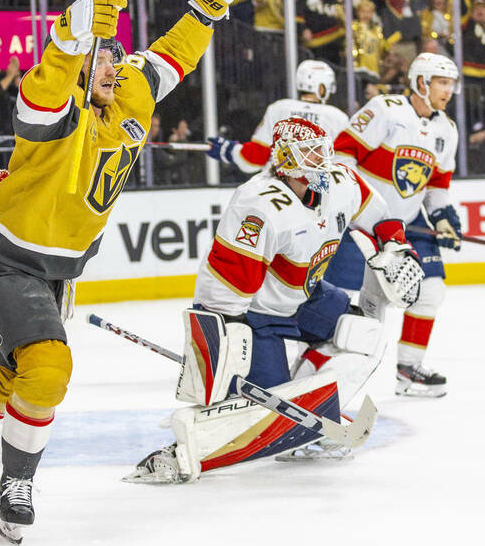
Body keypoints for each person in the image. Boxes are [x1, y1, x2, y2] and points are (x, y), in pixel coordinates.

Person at [0, 0, 260, 543]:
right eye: (100, 58)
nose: (111, 66)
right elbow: (35, 101)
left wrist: (210, 0)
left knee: (16, 377)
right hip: (7, 257)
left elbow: (173, 56)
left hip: (56, 267)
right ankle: (15, 486)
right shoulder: (61, 103)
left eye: (115, 56)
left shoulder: (129, 88)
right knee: (50, 369)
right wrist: (67, 38)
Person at [126, 118, 419, 484]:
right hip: (257, 314)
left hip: (305, 297)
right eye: (310, 153)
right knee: (270, 413)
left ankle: (309, 411)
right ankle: (188, 449)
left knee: (362, 334)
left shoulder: (340, 182)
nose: (322, 160)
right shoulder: (258, 205)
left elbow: (380, 212)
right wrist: (227, 352)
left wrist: (395, 245)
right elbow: (222, 293)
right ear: (285, 159)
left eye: (322, 150)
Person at [322, 53, 461, 397]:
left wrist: (443, 218)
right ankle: (327, 375)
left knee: (430, 292)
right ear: (420, 83)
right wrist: (355, 205)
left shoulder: (447, 130)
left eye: (451, 84)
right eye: (442, 82)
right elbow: (343, 154)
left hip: (408, 224)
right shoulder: (384, 109)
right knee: (361, 307)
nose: (449, 90)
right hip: (362, 224)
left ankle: (409, 372)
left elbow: (436, 189)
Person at [205, 60, 349, 173]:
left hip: (279, 194)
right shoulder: (338, 117)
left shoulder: (279, 108)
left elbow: (255, 158)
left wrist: (231, 151)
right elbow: (346, 165)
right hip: (320, 196)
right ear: (321, 88)